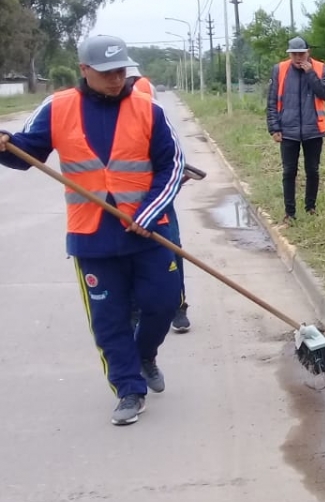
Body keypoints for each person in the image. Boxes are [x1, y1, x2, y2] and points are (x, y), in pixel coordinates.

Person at [0, 35, 186, 426]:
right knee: (109, 319)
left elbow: (172, 167)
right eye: (107, 73)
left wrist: (148, 212)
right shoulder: (58, 107)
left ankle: (145, 353)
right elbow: (26, 154)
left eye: (121, 71)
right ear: (84, 70)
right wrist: (4, 146)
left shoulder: (148, 109)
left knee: (163, 304)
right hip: (92, 237)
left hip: (148, 232)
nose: (117, 79)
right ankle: (129, 390)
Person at [124, 68, 196, 333]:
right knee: (126, 257)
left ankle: (178, 305)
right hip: (119, 203)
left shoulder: (147, 100)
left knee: (171, 248)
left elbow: (169, 158)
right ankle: (132, 310)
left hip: (155, 199)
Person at [266, 36, 325, 223]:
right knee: (289, 171)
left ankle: (310, 207)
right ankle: (290, 213)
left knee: (312, 170)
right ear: (290, 54)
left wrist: (311, 74)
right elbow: (272, 101)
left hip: (314, 129)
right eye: (294, 54)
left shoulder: (321, 69)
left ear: (308, 53)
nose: (298, 58)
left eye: (301, 54)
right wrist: (274, 128)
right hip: (288, 130)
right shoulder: (279, 70)